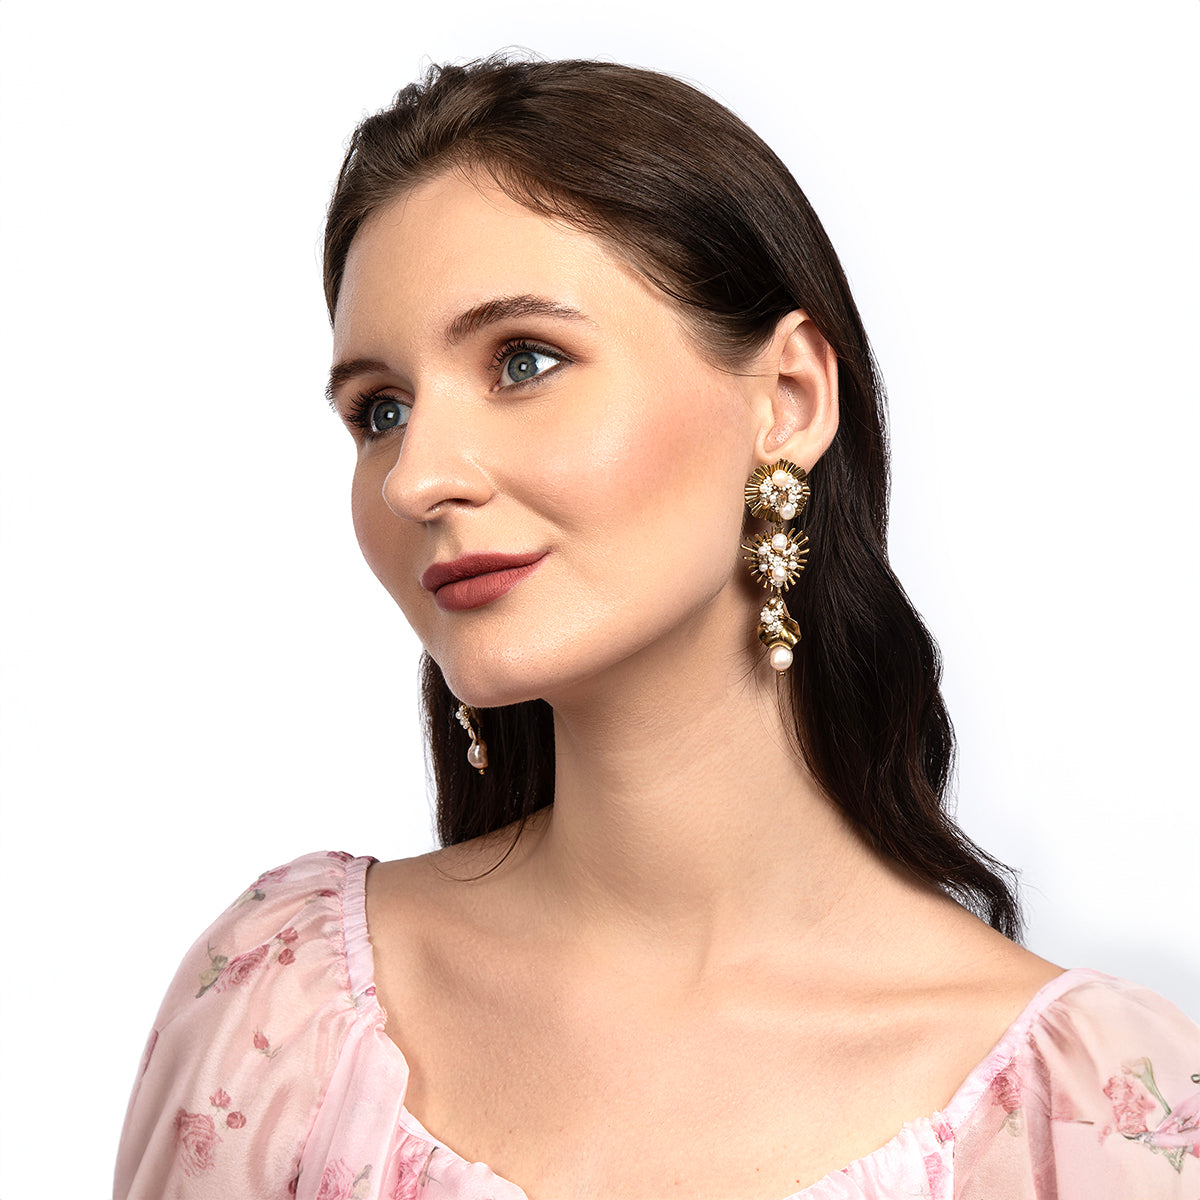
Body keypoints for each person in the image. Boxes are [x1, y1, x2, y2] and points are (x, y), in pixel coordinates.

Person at [114, 55, 1200, 1200]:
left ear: (787, 401)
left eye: (523, 360)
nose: (415, 478)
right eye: (380, 410)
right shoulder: (278, 1017)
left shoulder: (1092, 1118)